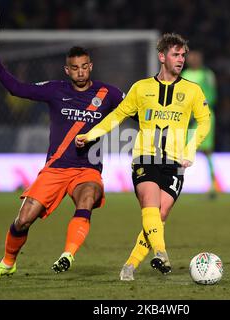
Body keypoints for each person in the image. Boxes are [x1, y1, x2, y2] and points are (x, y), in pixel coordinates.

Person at [0, 32, 125, 280]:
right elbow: (16, 89)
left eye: (84, 67)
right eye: (75, 68)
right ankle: (8, 262)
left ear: (90, 66)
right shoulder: (54, 90)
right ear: (67, 70)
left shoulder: (108, 93)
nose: (80, 72)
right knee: (23, 220)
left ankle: (67, 255)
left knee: (87, 197)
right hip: (56, 169)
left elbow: (135, 110)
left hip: (87, 170)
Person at [75, 33, 211, 280]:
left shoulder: (192, 90)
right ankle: (161, 253)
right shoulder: (141, 88)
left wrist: (191, 149)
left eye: (183, 55)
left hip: (175, 162)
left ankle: (130, 266)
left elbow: (204, 123)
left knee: (159, 217)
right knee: (150, 203)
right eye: (175, 54)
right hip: (145, 158)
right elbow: (117, 115)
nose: (181, 59)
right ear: (162, 56)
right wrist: (91, 133)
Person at [182, 50, 219, 198]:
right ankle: (175, 183)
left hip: (204, 117)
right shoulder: (184, 75)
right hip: (187, 118)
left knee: (207, 150)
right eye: (191, 58)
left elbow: (212, 96)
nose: (193, 60)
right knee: (182, 150)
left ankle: (213, 185)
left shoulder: (207, 75)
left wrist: (198, 111)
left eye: (196, 57)